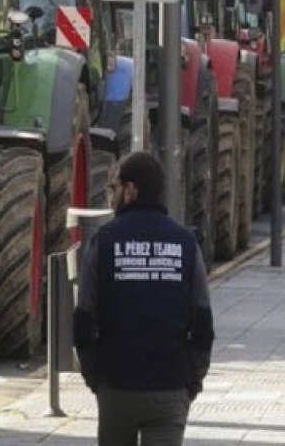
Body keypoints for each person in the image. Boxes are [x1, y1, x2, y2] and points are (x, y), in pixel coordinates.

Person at [73, 151, 214, 446]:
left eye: (113, 188)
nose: (110, 196)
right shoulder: (186, 243)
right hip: (170, 385)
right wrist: (192, 381)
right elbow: (202, 323)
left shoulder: (104, 241)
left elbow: (84, 319)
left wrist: (95, 376)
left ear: (131, 190)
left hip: (117, 386)